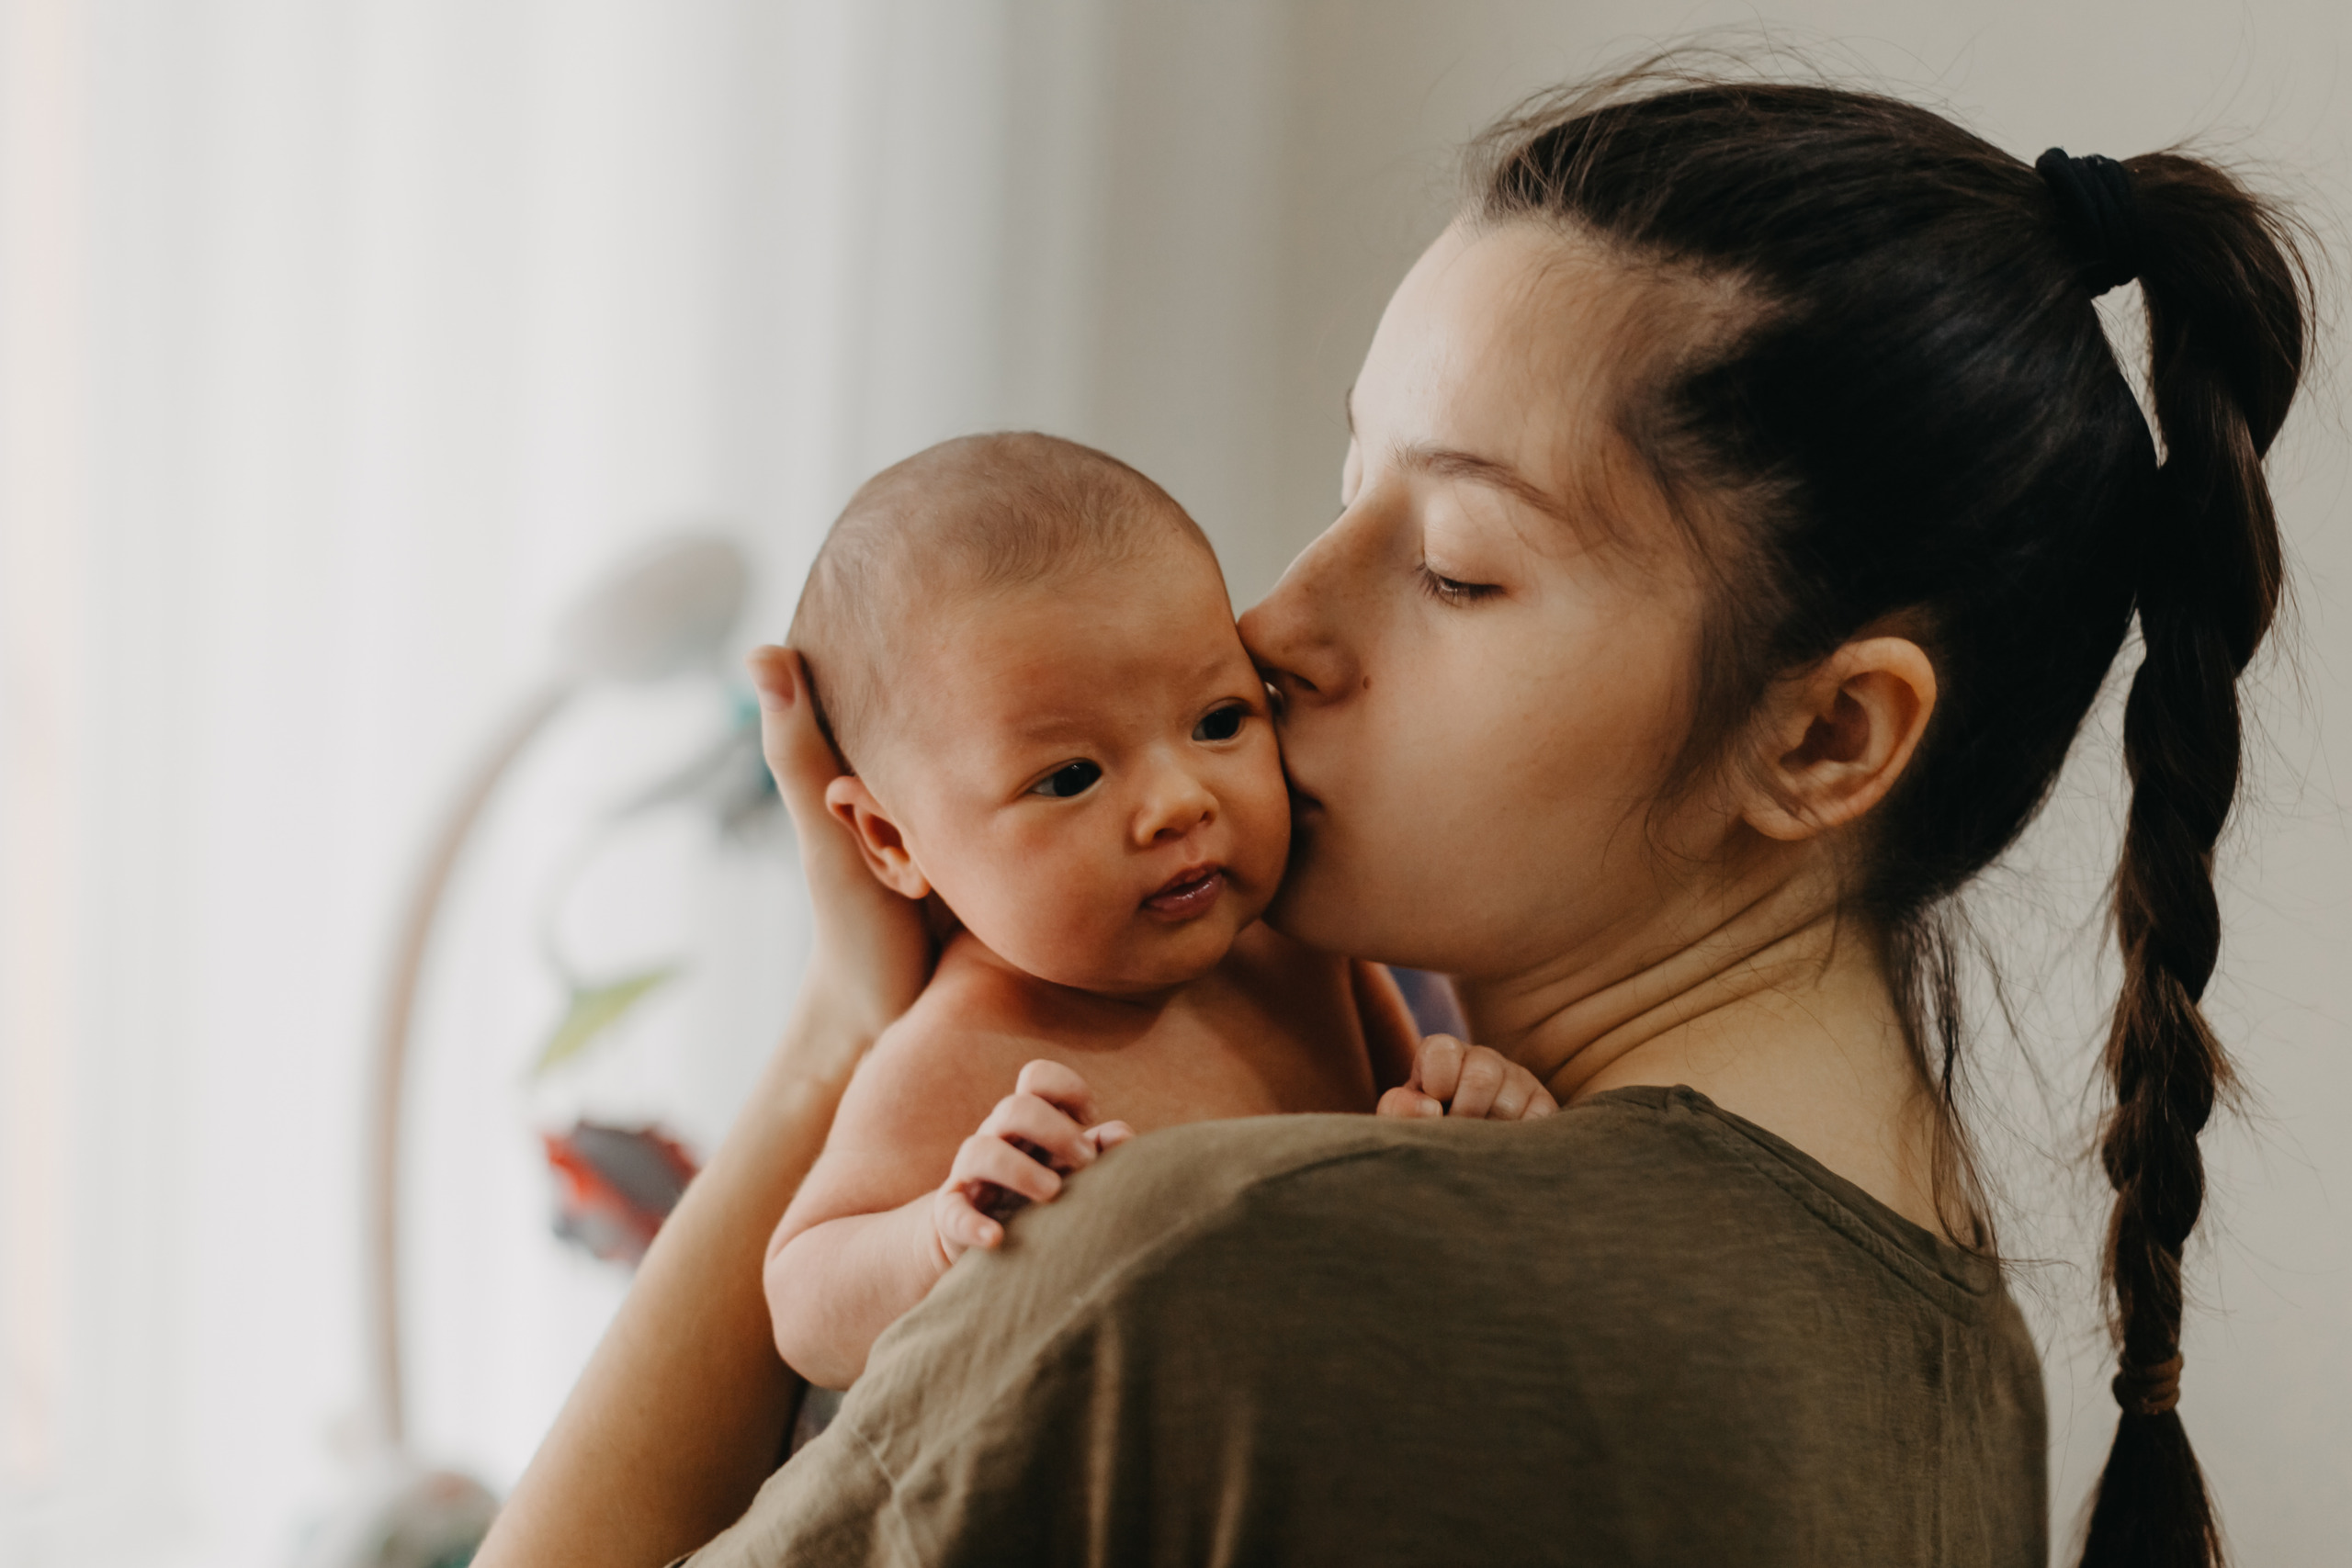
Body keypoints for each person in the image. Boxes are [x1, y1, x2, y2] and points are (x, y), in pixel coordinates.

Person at [475, 67, 2309, 1568]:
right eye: (1348, 484)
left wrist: (837, 1048)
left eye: (1446, 565)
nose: (1271, 630)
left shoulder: (1219, 1263)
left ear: (1827, 738)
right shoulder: (1939, 1341)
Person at [760, 430, 1547, 1389]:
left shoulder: (1297, 957)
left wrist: (1464, 1126)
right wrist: (939, 1234)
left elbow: (1395, 1128)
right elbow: (804, 1303)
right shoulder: (953, 1049)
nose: (1180, 801)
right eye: (1071, 777)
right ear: (890, 842)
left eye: (1219, 721)